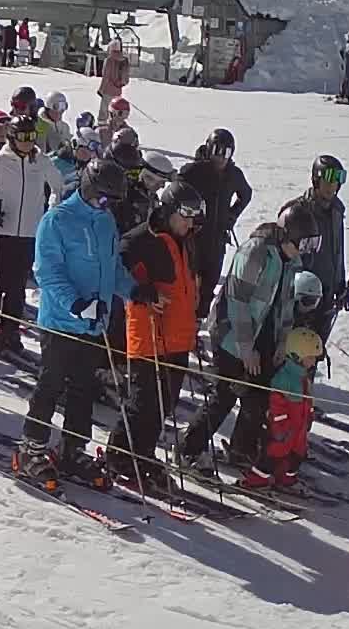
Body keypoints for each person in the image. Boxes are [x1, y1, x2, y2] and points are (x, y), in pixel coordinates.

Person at [14, 159, 134, 490]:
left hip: (94, 324)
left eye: (112, 201)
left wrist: (134, 290)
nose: (107, 205)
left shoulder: (106, 221)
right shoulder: (57, 220)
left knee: (83, 388)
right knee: (51, 384)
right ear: (89, 188)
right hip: (61, 321)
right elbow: (47, 272)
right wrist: (77, 305)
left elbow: (111, 268)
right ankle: (31, 447)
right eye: (104, 198)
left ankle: (72, 448)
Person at [179, 205, 318, 477]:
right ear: (288, 235)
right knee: (225, 396)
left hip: (264, 339)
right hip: (233, 336)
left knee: (259, 398)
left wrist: (281, 345)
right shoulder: (255, 252)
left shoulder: (292, 263)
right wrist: (245, 349)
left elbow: (286, 307)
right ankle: (189, 449)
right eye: (304, 242)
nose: (305, 250)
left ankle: (240, 448)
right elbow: (237, 301)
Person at [109, 180, 205, 487]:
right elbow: (115, 269)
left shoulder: (185, 238)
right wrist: (141, 291)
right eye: (186, 215)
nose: (191, 223)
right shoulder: (141, 239)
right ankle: (119, 455)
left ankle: (144, 455)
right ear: (168, 209)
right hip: (148, 333)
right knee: (142, 403)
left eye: (194, 217)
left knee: (165, 403)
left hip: (177, 336)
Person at [0, 116, 58, 360]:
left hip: (28, 232)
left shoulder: (41, 161)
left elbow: (58, 186)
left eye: (31, 137)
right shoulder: (0, 161)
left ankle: (10, 330)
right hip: (2, 231)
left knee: (16, 285)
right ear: (12, 138)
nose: (28, 142)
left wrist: (51, 209)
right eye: (22, 137)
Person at [179, 128, 251, 319]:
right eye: (216, 151)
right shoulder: (194, 171)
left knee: (208, 285)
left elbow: (246, 194)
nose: (221, 157)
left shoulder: (233, 174)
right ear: (208, 149)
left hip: (217, 239)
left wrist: (232, 216)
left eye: (226, 152)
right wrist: (188, 217)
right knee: (188, 285)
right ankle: (185, 325)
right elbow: (176, 191)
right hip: (193, 238)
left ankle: (196, 325)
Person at [281, 154, 349, 342]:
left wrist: (340, 282)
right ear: (316, 180)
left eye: (336, 181)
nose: (332, 186)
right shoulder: (298, 211)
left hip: (327, 297)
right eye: (327, 180)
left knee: (314, 352)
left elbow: (337, 250)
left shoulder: (336, 211)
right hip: (301, 299)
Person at [248, 326, 324, 489]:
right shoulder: (284, 378)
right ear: (297, 356)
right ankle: (256, 480)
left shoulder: (303, 377)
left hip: (299, 430)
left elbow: (307, 402)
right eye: (311, 357)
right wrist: (280, 427)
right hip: (284, 431)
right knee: (272, 456)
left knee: (296, 456)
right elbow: (277, 406)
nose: (314, 362)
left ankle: (287, 479)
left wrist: (309, 416)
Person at [97, 38, 130, 123]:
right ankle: (115, 123)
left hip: (108, 89)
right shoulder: (124, 60)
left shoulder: (109, 59)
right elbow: (126, 77)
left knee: (104, 109)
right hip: (118, 90)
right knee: (115, 108)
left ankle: (102, 125)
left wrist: (101, 89)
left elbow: (106, 76)